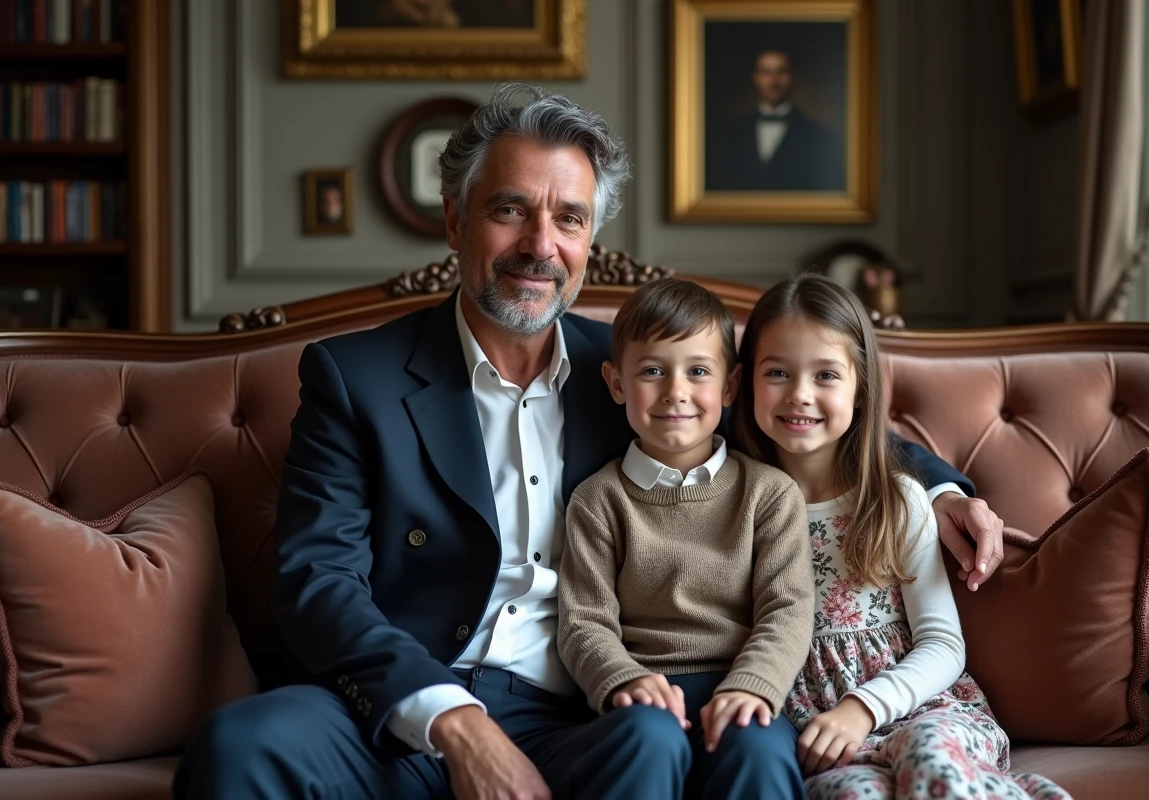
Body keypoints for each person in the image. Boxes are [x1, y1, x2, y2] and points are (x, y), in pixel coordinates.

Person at [172, 83, 1005, 800]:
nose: (541, 245)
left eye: (568, 218)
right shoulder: (360, 375)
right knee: (239, 746)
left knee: (655, 740)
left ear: (589, 243)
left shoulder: (638, 374)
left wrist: (941, 489)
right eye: (510, 211)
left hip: (584, 705)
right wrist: (451, 720)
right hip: (404, 700)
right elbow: (316, 577)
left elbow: (798, 417)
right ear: (455, 221)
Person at [730, 274, 1071, 800]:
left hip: (922, 710)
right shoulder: (735, 507)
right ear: (742, 381)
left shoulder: (899, 500)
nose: (799, 394)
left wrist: (863, 707)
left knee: (933, 760)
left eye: (826, 374)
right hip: (824, 737)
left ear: (861, 386)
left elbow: (943, 643)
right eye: (777, 372)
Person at [558, 278, 813, 798]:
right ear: (616, 383)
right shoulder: (598, 500)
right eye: (652, 371)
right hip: (644, 691)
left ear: (729, 387)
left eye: (698, 371)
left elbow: (788, 610)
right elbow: (584, 622)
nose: (675, 391)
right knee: (647, 739)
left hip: (740, 682)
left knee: (757, 750)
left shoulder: (768, 494)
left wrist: (752, 686)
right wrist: (622, 680)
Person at [707, 49, 845, 192]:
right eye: (766, 72)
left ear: (793, 77)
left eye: (781, 72)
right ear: (755, 77)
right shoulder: (730, 135)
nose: (773, 81)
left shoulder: (820, 137)